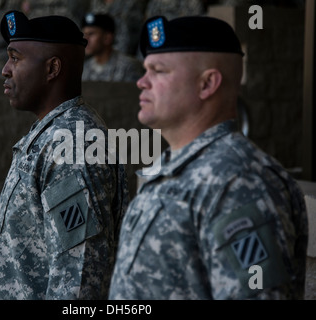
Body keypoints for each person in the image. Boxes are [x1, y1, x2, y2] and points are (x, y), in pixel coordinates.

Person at [109, 16, 308, 299]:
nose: (142, 82)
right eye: (145, 70)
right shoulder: (175, 166)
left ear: (207, 84)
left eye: (159, 71)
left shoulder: (239, 181)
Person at [0, 10, 129, 300]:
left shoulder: (73, 146)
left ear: (52, 69)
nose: (5, 70)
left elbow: (78, 279)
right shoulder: (54, 132)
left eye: (16, 58)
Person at [81, 13, 144, 83]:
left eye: (91, 34)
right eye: (84, 34)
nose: (85, 39)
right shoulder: (84, 69)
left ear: (107, 38)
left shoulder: (128, 66)